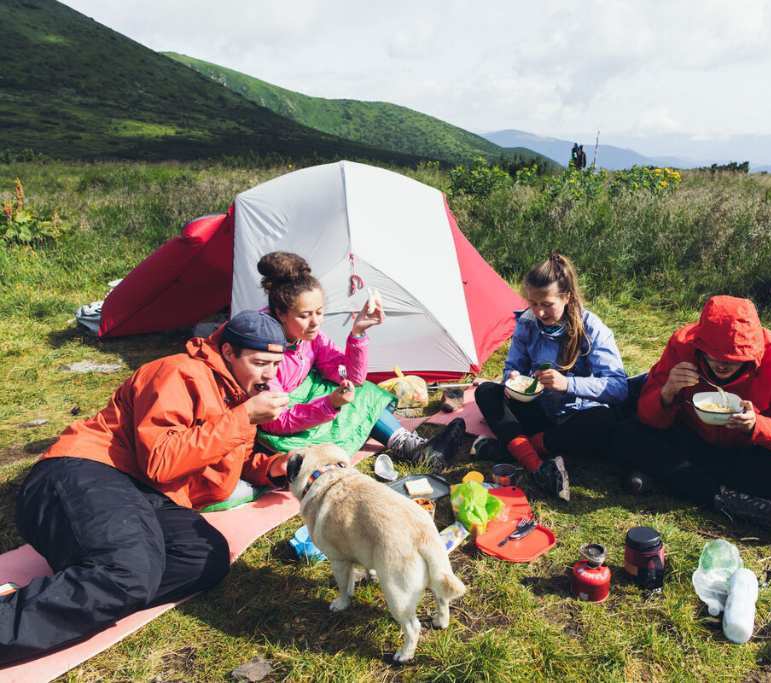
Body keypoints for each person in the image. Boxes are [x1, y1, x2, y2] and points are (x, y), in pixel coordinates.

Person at [0, 311, 294, 664]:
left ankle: (86, 588)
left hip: (146, 495)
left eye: (276, 365)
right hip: (86, 470)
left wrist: (280, 467)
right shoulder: (179, 372)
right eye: (260, 363)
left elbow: (229, 457)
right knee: (129, 571)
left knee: (205, 558)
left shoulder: (235, 397)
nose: (269, 375)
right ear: (229, 352)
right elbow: (162, 461)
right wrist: (243, 418)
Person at [618, 295, 771, 535]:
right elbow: (648, 415)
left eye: (732, 360)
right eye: (713, 355)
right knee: (625, 433)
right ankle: (725, 498)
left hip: (746, 453)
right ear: (699, 344)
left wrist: (757, 426)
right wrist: (667, 392)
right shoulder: (683, 345)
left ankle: (675, 478)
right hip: (690, 438)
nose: (722, 366)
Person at [254, 252, 465, 468]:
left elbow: (352, 377)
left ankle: (414, 448)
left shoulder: (309, 337)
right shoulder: (264, 353)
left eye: (319, 312)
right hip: (281, 428)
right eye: (305, 315)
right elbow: (275, 421)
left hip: (304, 403)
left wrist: (358, 334)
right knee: (345, 399)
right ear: (280, 313)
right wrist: (329, 404)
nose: (315, 322)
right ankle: (415, 450)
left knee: (361, 392)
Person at [473, 253, 628, 500]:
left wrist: (568, 384)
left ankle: (515, 448)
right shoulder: (527, 322)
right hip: (538, 409)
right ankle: (538, 467)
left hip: (576, 417)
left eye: (547, 304)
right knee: (486, 392)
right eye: (533, 303)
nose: (540, 312)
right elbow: (513, 368)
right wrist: (511, 379)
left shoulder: (592, 328)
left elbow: (618, 387)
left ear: (566, 297)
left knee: (605, 419)